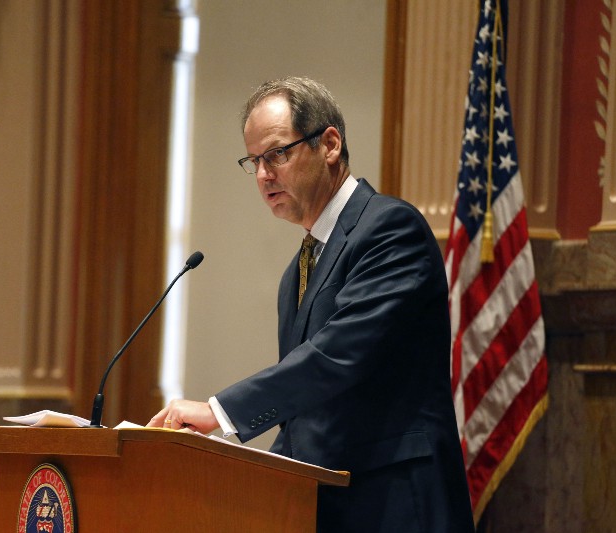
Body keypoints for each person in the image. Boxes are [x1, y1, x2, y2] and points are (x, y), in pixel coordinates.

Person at [148, 76, 474, 532]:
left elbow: (336, 357)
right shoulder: (295, 275)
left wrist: (220, 412)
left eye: (277, 153)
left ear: (330, 144)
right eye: (254, 160)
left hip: (397, 504)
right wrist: (240, 473)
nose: (264, 174)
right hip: (331, 508)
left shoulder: (389, 230)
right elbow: (307, 415)